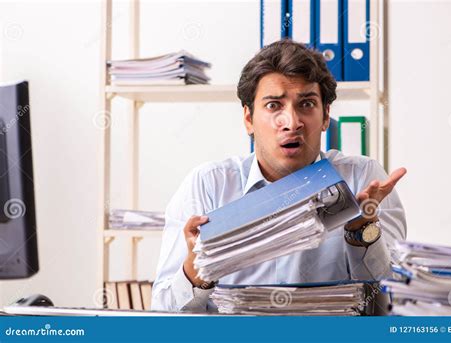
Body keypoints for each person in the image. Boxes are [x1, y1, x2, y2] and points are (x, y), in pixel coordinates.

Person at [151, 39, 407, 312]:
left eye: (307, 104)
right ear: (248, 119)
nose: (292, 122)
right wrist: (197, 267)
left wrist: (362, 231)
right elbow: (163, 313)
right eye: (274, 106)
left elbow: (392, 305)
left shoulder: (363, 179)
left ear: (325, 117)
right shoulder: (207, 185)